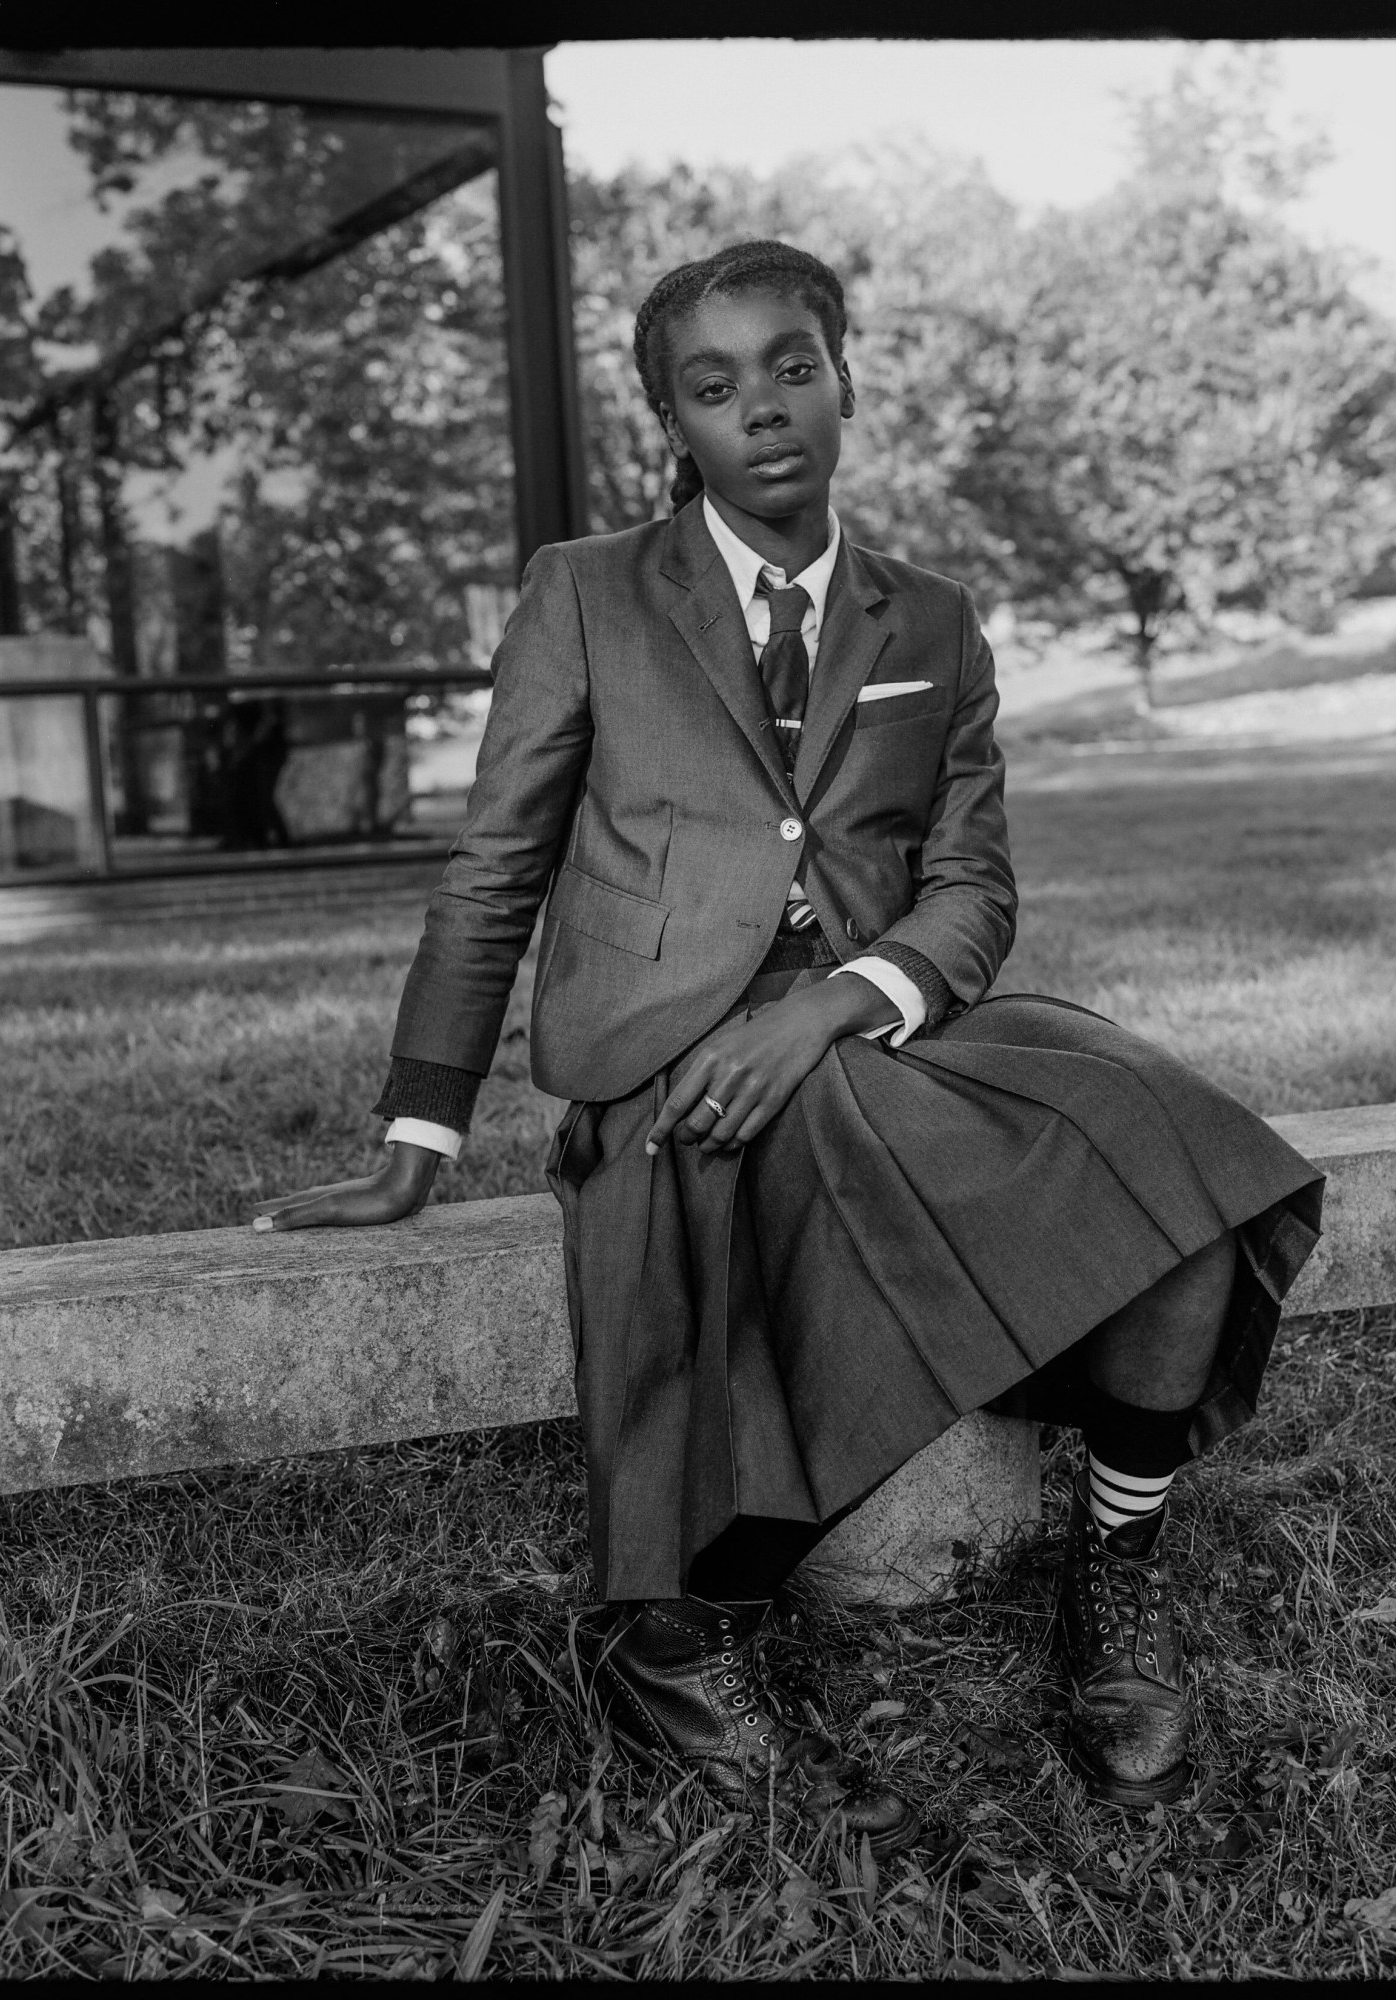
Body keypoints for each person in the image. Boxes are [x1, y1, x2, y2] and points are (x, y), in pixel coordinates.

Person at [254, 240, 1324, 1851]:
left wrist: (844, 996)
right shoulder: (586, 593)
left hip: (893, 1019)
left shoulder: (933, 621)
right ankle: (680, 1625)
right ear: (669, 425)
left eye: (790, 367)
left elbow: (972, 885)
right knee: (792, 1143)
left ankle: (1116, 1575)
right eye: (711, 386)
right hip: (669, 1058)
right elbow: (493, 873)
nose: (760, 409)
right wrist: (417, 1135)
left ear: (844, 379)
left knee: (1174, 1145)